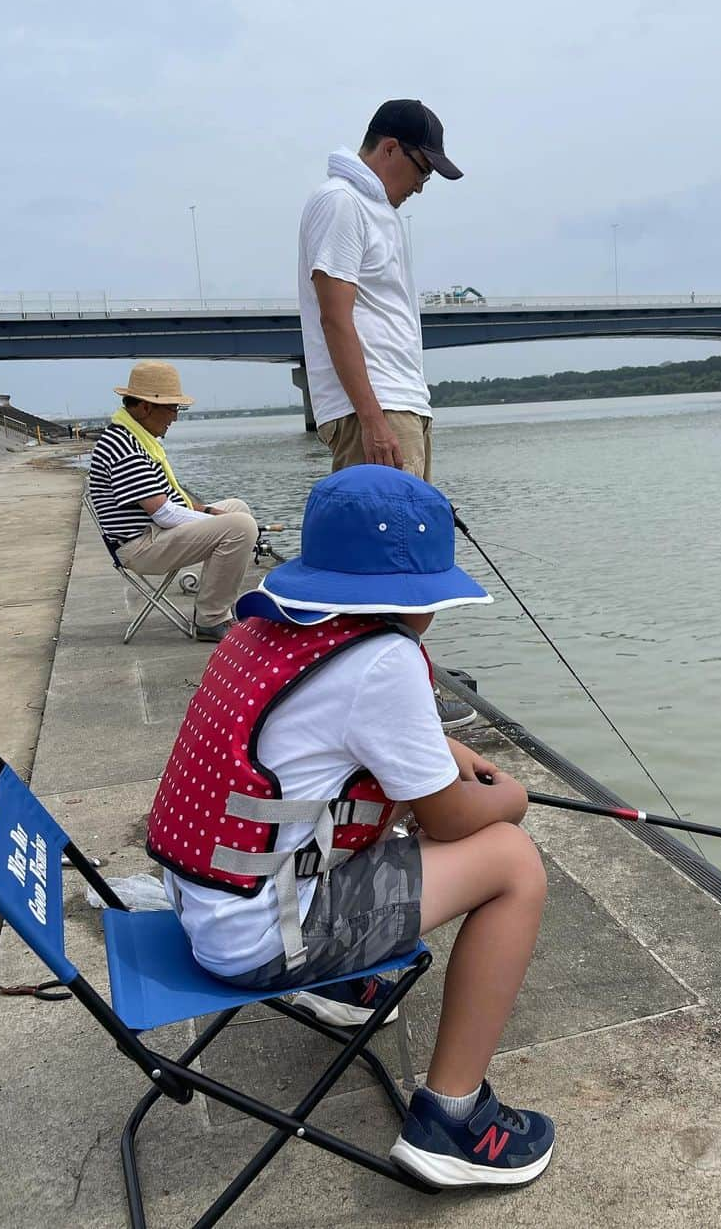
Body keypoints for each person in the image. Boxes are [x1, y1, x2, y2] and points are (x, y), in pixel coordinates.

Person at [146, 465, 554, 1187]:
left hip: (207, 906)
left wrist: (444, 751)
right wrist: (511, 796)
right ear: (416, 594)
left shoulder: (269, 623)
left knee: (391, 826)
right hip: (260, 938)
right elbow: (454, 818)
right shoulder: (384, 660)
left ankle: (337, 988)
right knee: (512, 861)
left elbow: (337, 734)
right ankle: (453, 1122)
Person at [297, 98, 462, 483]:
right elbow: (334, 318)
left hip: (402, 403)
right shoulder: (341, 202)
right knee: (386, 542)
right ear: (389, 148)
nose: (421, 187)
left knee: (411, 540)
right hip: (378, 409)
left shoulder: (376, 209)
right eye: (422, 171)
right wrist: (372, 420)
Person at [87, 361, 259, 642]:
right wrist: (216, 520)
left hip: (153, 533)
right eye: (172, 408)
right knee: (240, 526)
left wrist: (208, 511)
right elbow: (165, 513)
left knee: (237, 508)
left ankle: (215, 603)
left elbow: (170, 499)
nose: (175, 417)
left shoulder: (136, 437)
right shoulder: (124, 445)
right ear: (145, 407)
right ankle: (211, 619)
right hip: (140, 545)